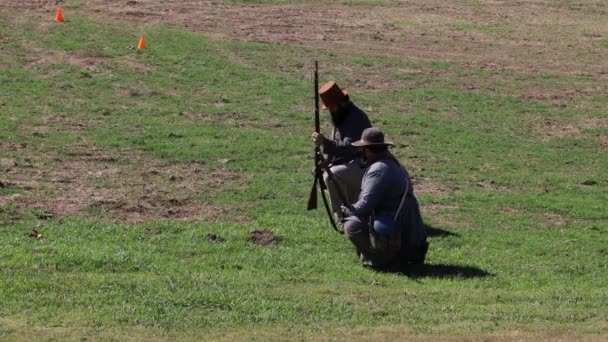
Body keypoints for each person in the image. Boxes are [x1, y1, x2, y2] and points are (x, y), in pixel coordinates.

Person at [340, 127, 428, 268]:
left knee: (352, 225)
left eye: (361, 149)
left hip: (401, 234)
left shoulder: (379, 169)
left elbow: (365, 205)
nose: (359, 153)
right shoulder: (389, 163)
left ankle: (382, 260)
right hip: (407, 232)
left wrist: (348, 211)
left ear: (367, 150)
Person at [311, 81, 372, 223]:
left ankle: (342, 217)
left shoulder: (355, 118)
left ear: (341, 103)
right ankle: (350, 210)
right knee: (327, 172)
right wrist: (326, 161)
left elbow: (348, 149)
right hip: (352, 167)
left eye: (331, 106)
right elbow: (338, 147)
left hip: (364, 168)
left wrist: (324, 142)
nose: (330, 110)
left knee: (332, 175)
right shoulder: (342, 117)